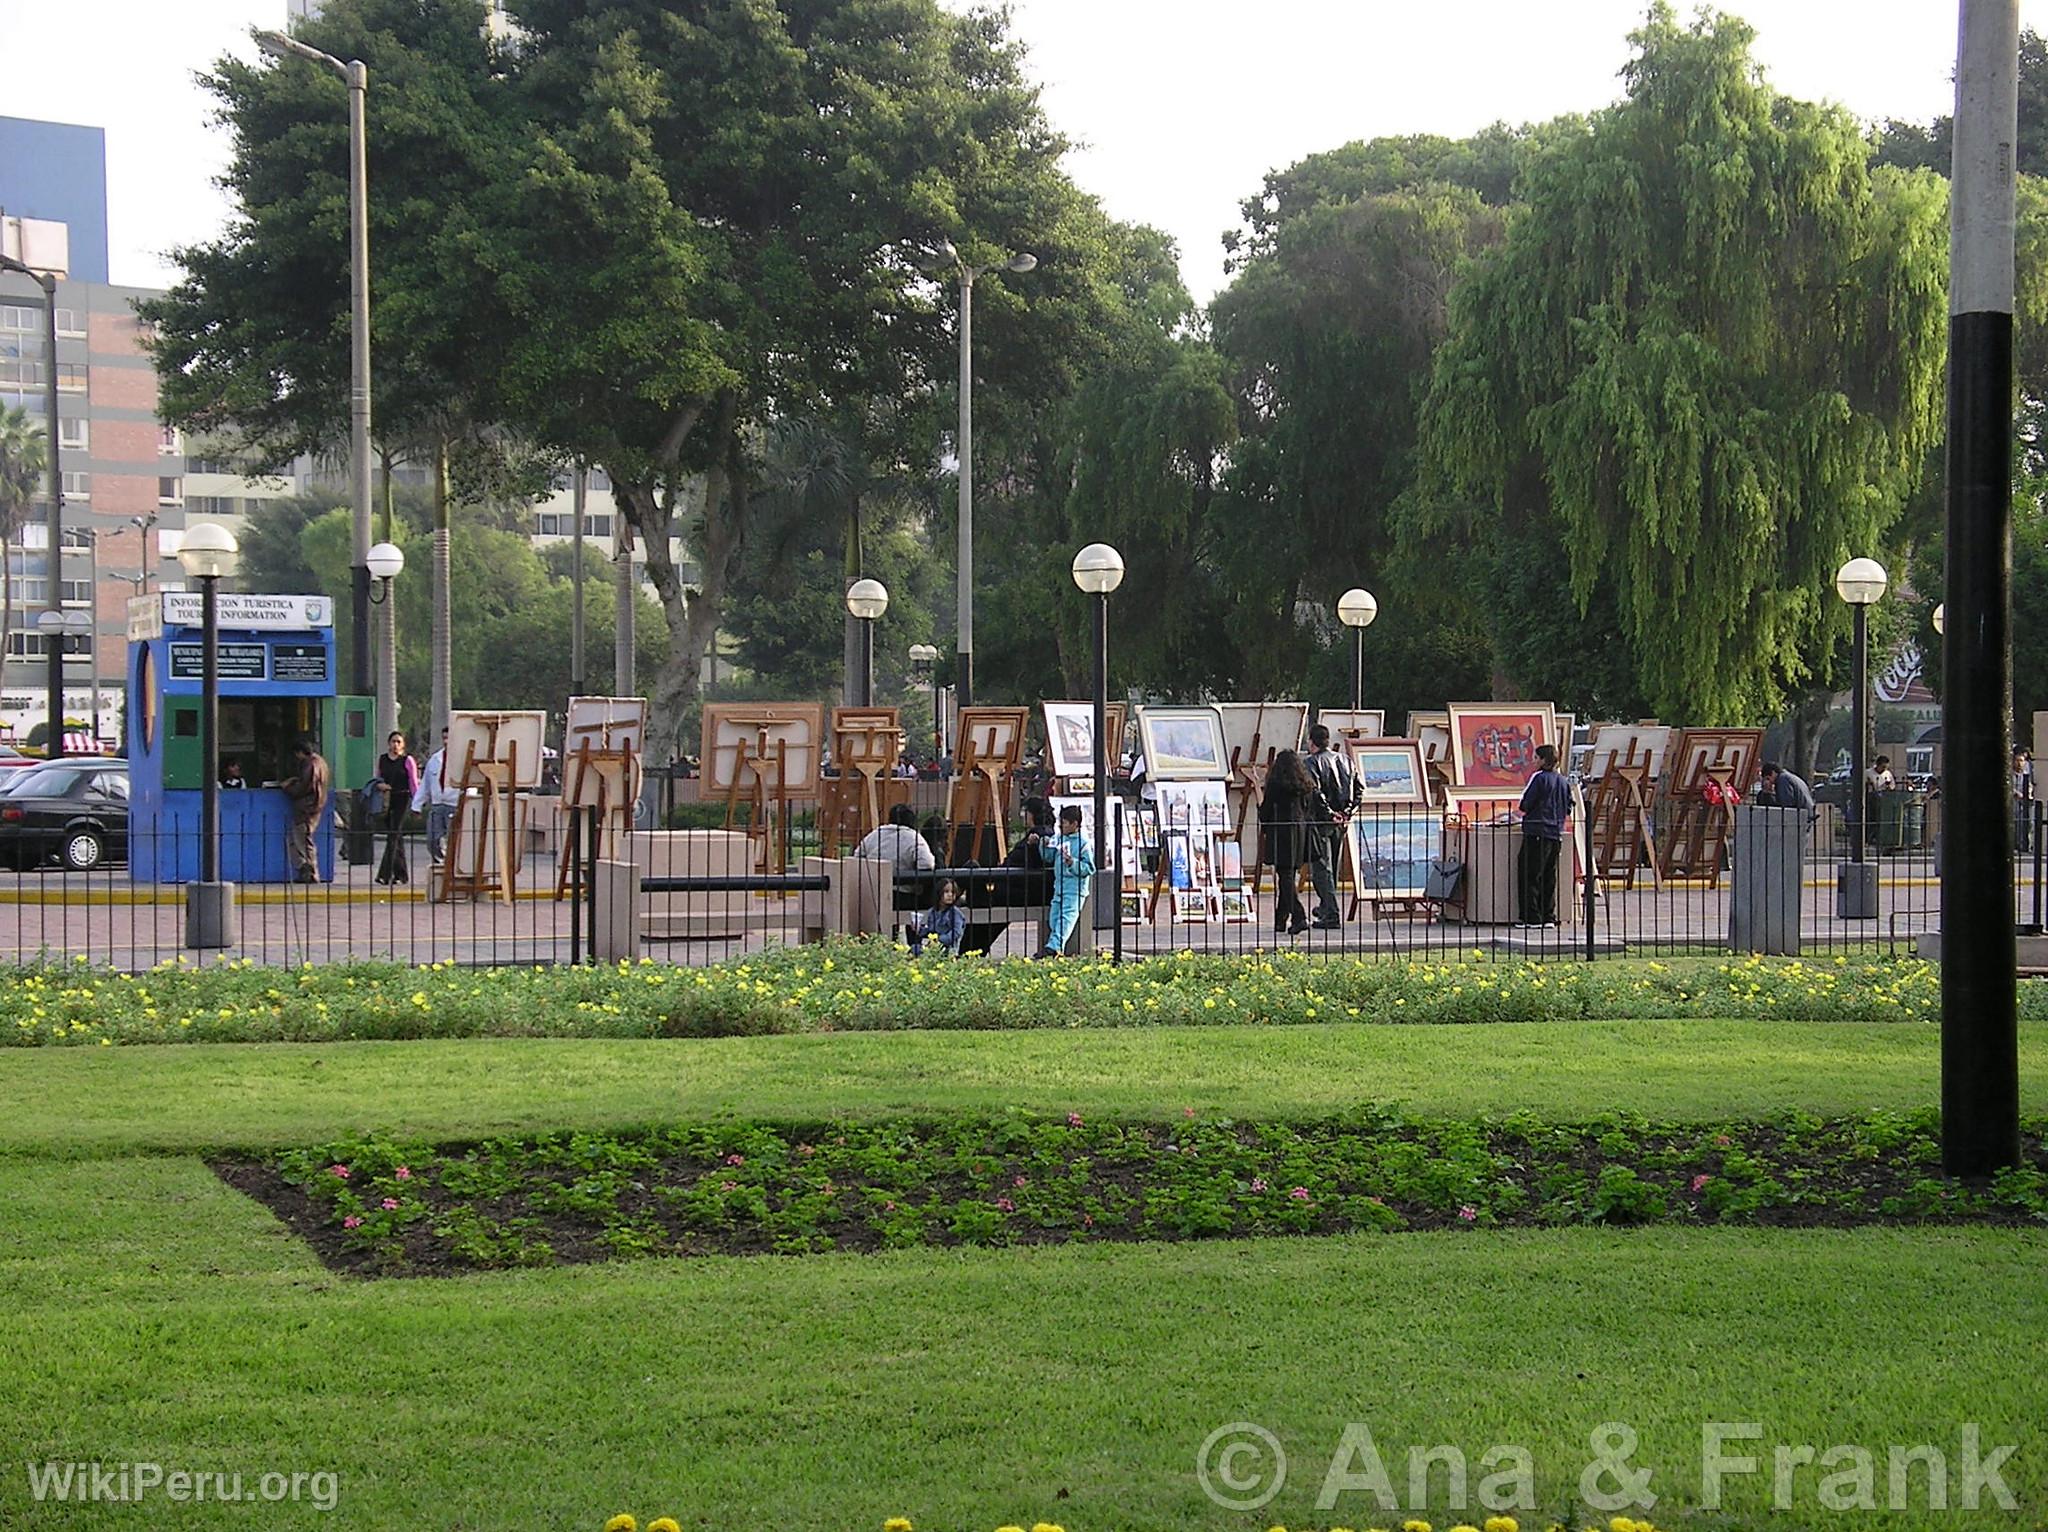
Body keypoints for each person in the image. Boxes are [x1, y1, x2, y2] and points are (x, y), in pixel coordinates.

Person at [1259, 748, 1318, 937]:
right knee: (1288, 875)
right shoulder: (1305, 785)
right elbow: (1310, 809)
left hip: (1281, 831)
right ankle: (1280, 920)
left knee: (1284, 876)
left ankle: (1299, 916)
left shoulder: (1276, 784)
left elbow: (1265, 811)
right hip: (1299, 831)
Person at [1303, 723, 1356, 929]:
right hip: (1340, 820)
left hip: (1322, 821)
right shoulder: (1345, 760)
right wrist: (1347, 811)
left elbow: (1316, 793)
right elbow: (1358, 788)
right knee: (1331, 865)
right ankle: (1326, 907)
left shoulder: (1312, 763)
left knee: (1322, 868)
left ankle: (1331, 913)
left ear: (1312, 742)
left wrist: (1329, 813)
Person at [1516, 743, 1570, 928]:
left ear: (1544, 760)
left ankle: (1531, 916)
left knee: (1530, 874)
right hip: (1555, 832)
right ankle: (1548, 915)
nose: (1534, 761)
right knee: (1549, 875)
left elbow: (1525, 803)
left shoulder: (1538, 778)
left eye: (1537, 758)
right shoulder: (1563, 781)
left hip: (1536, 830)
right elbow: (1569, 805)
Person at [1036, 803, 1096, 958]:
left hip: (1075, 889)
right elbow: (1048, 857)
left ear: (1074, 824)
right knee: (1054, 918)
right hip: (1059, 886)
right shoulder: (1059, 839)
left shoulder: (1084, 844)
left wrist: (1073, 863)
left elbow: (1089, 868)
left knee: (1066, 919)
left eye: (1064, 822)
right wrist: (1043, 844)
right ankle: (1055, 948)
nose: (1060, 825)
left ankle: (1053, 947)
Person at [372, 730, 419, 886]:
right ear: (389, 743)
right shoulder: (383, 760)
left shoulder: (407, 760)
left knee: (393, 835)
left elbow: (413, 782)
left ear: (403, 745)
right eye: (393, 741)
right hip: (387, 799)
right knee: (396, 837)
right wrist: (380, 785)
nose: (395, 745)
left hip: (402, 798)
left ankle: (385, 874)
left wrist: (416, 803)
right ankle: (402, 874)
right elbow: (378, 777)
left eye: (399, 742)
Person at [411, 726, 462, 867]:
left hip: (455, 804)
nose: (446, 741)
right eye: (444, 738)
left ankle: (453, 866)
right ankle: (441, 863)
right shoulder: (435, 759)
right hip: (437, 804)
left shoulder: (462, 759)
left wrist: (468, 801)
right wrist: (417, 805)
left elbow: (471, 783)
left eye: (449, 738)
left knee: (455, 839)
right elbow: (425, 785)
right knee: (433, 839)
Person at [282, 738, 330, 884]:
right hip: (316, 805)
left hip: (306, 807)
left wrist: (288, 787)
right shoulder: (321, 762)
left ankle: (309, 871)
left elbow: (304, 787)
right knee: (303, 838)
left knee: (302, 839)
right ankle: (307, 870)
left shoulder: (309, 764)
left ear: (299, 753)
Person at [916, 877, 967, 957]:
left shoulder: (956, 913)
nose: (950, 895)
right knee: (914, 949)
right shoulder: (932, 912)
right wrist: (919, 929)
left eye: (953, 892)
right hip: (933, 947)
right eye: (946, 892)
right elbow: (929, 931)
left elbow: (956, 933)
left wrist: (938, 940)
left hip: (948, 949)